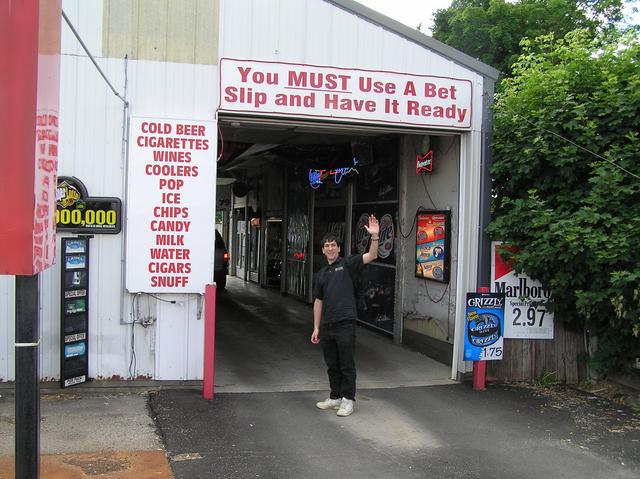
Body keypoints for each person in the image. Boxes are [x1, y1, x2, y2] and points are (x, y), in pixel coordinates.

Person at [311, 214, 379, 417]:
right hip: (328, 325)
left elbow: (371, 256)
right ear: (323, 250)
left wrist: (375, 237)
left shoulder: (348, 264)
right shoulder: (322, 274)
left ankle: (348, 399)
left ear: (339, 248)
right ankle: (335, 396)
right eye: (327, 246)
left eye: (333, 245)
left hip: (345, 323)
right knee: (332, 364)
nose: (330, 248)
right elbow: (318, 301)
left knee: (346, 363)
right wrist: (316, 327)